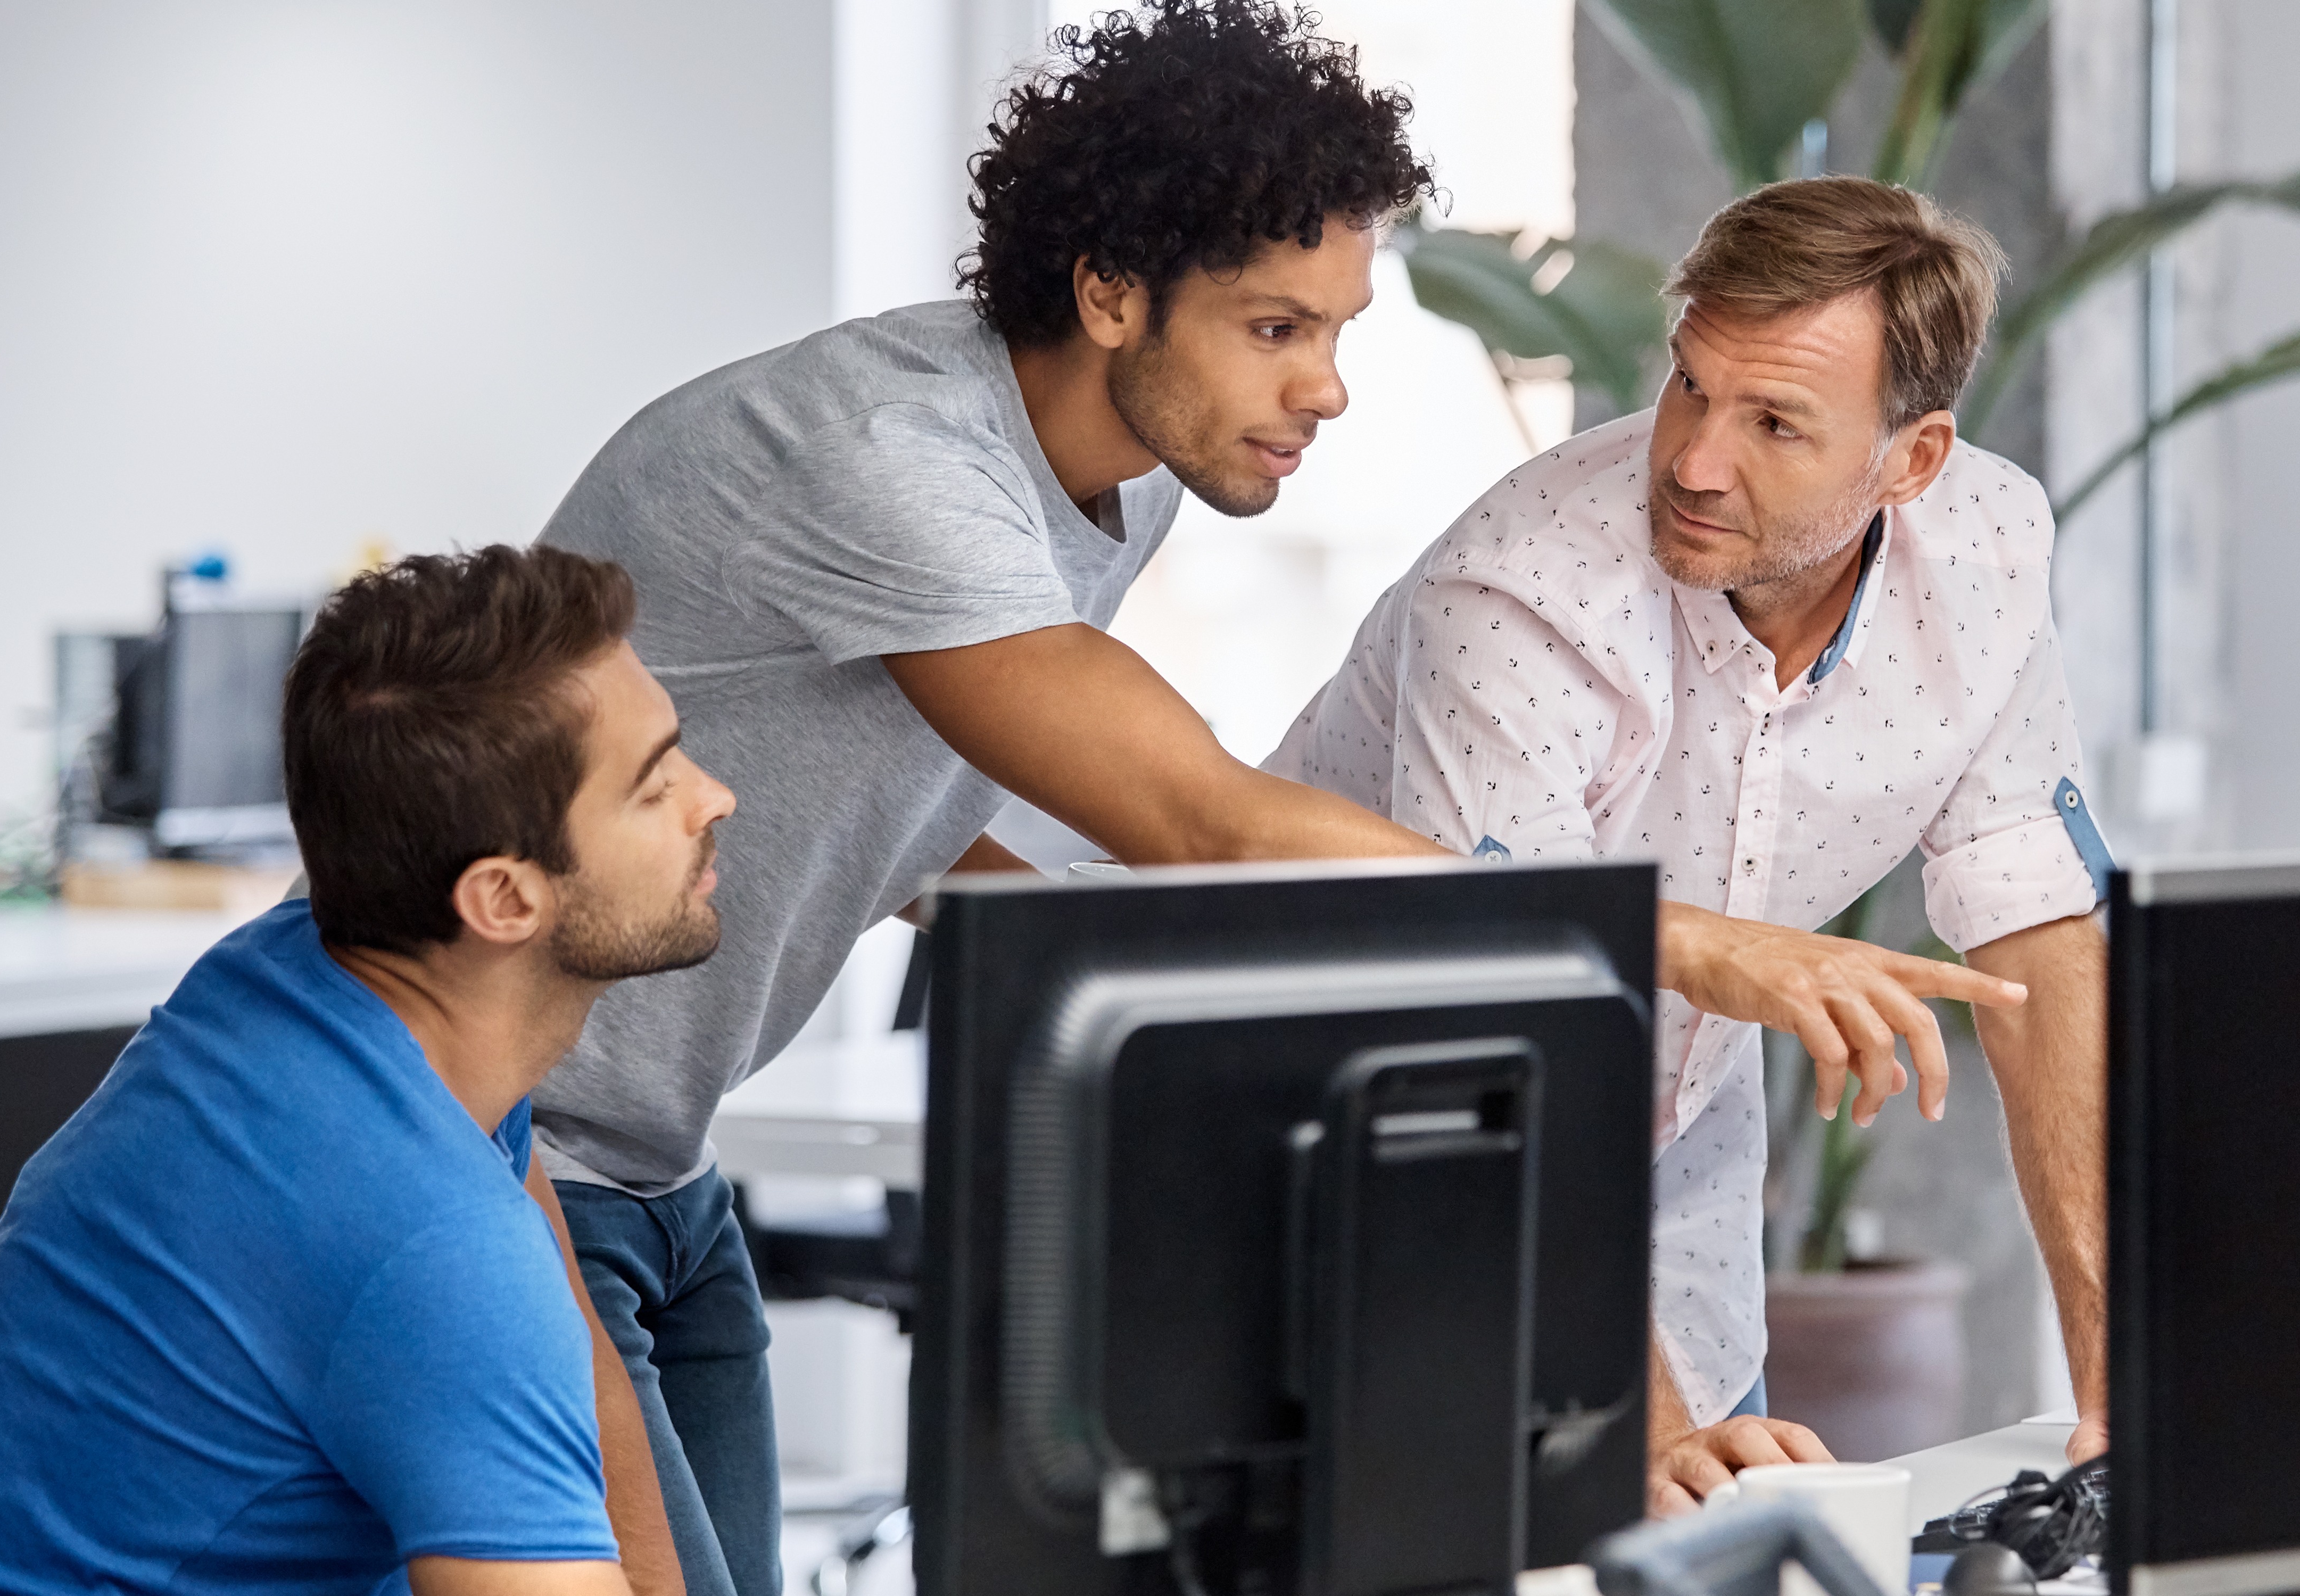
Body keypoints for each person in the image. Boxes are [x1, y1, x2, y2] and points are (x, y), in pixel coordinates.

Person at [535, 7, 2012, 1582]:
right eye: (1274, 328)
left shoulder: (1119, 482)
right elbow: (1198, 816)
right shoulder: (904, 464)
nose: (1326, 389)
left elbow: (919, 822)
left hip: (660, 1170)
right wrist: (1709, 950)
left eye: (1338, 330)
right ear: (1108, 291)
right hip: (508, 1142)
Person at [1268, 176, 2112, 1514]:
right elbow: (1510, 1010)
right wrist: (1644, 1429)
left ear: (1911, 460)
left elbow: (2040, 944)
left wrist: (2121, 1389)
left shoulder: (1984, 548)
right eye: (1688, 386)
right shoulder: (1517, 590)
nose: (1694, 461)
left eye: (1774, 421)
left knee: (1715, 1539)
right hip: (1346, 1157)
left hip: (1665, 1190)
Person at [0, 545, 735, 1595]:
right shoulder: (427, 1235)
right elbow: (482, 1279)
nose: (712, 797)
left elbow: (572, 1335)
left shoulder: (322, 977)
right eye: (652, 785)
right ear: (503, 900)